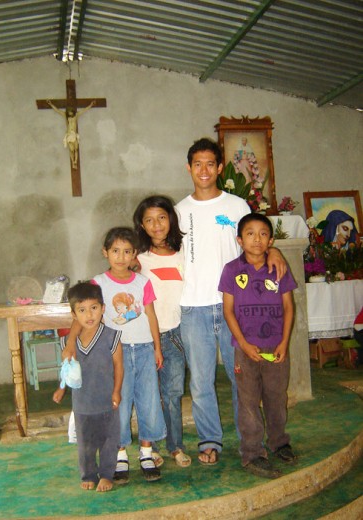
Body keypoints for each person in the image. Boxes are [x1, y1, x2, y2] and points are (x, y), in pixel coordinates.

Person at [176, 137, 286, 465]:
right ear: (189, 168)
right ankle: (209, 440)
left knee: (243, 378)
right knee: (201, 379)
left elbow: (255, 240)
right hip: (193, 305)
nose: (205, 170)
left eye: (211, 163)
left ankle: (249, 441)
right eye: (198, 164)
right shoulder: (180, 212)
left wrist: (275, 248)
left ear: (220, 167)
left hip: (235, 307)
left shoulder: (237, 206)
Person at [219, 213, 297, 479]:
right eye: (250, 234)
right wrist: (243, 343)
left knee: (276, 397)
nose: (257, 239)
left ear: (271, 240)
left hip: (276, 347)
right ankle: (252, 453)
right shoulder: (231, 270)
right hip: (245, 349)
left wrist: (285, 342)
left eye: (263, 233)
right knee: (249, 402)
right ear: (239, 240)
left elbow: (288, 306)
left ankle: (279, 443)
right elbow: (228, 310)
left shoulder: (279, 268)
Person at [93, 227, 166, 484]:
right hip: (116, 354)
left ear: (135, 254)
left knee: (148, 400)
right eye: (115, 251)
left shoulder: (142, 282)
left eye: (127, 251)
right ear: (105, 253)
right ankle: (119, 454)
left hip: (145, 349)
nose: (121, 257)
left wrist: (157, 347)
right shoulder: (98, 284)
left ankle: (146, 452)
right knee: (119, 405)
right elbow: (94, 320)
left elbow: (150, 315)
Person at [133, 195, 191, 468]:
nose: (156, 225)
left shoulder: (184, 255)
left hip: (177, 335)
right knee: (148, 395)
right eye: (149, 220)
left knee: (173, 393)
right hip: (147, 337)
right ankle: (150, 447)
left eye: (162, 218)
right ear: (142, 225)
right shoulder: (137, 260)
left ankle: (175, 445)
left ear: (171, 219)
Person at [54, 281, 123, 492]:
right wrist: (61, 389)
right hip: (82, 404)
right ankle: (88, 475)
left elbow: (119, 365)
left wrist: (116, 391)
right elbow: (67, 370)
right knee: (86, 444)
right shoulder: (71, 343)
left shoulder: (111, 336)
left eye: (94, 308)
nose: (89, 315)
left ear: (103, 308)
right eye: (82, 310)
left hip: (106, 402)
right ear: (74, 315)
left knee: (109, 441)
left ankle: (107, 475)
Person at [47, 99, 96, 168]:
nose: (70, 112)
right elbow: (57, 111)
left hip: (74, 134)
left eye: (71, 111)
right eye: (69, 111)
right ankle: (73, 162)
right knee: (71, 150)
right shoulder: (65, 116)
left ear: (72, 111)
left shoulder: (76, 116)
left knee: (76, 149)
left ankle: (75, 161)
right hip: (69, 135)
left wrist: (91, 105)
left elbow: (84, 110)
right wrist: (51, 104)